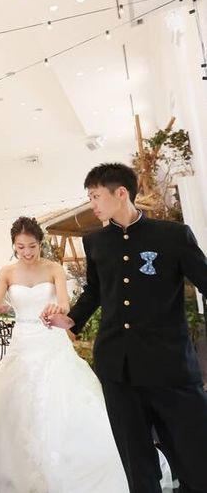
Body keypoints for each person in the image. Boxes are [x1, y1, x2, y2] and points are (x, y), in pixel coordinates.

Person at [50, 163, 207, 492]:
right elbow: (95, 291)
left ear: (120, 193)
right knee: (136, 462)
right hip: (118, 368)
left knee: (194, 455)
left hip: (170, 367)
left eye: (96, 196)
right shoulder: (96, 242)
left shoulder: (173, 236)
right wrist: (72, 319)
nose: (92, 204)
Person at [0, 216, 128, 492]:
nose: (27, 252)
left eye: (32, 246)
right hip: (22, 344)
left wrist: (57, 310)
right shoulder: (7, 272)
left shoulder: (53, 269)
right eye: (21, 247)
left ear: (41, 243)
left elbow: (64, 303)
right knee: (17, 405)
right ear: (14, 245)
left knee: (62, 399)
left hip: (51, 340)